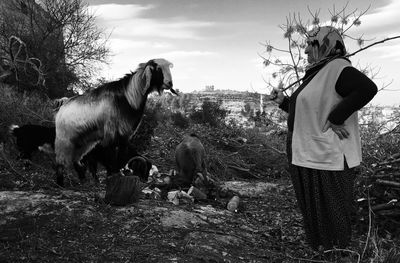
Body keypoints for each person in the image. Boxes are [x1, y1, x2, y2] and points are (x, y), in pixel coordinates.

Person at [270, 26, 377, 250]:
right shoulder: (318, 73)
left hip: (327, 155)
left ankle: (337, 252)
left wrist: (337, 117)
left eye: (311, 44)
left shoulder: (338, 68)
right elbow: (306, 111)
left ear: (326, 44)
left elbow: (367, 88)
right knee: (313, 206)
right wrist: (283, 102)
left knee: (332, 208)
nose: (307, 50)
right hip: (308, 152)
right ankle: (321, 249)